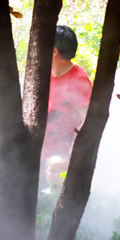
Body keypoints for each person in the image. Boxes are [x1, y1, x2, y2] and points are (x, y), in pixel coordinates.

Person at [42, 25, 92, 164]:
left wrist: (69, 156)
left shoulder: (79, 80)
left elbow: (88, 121)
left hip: (62, 161)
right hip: (40, 156)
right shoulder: (45, 74)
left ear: (54, 51)